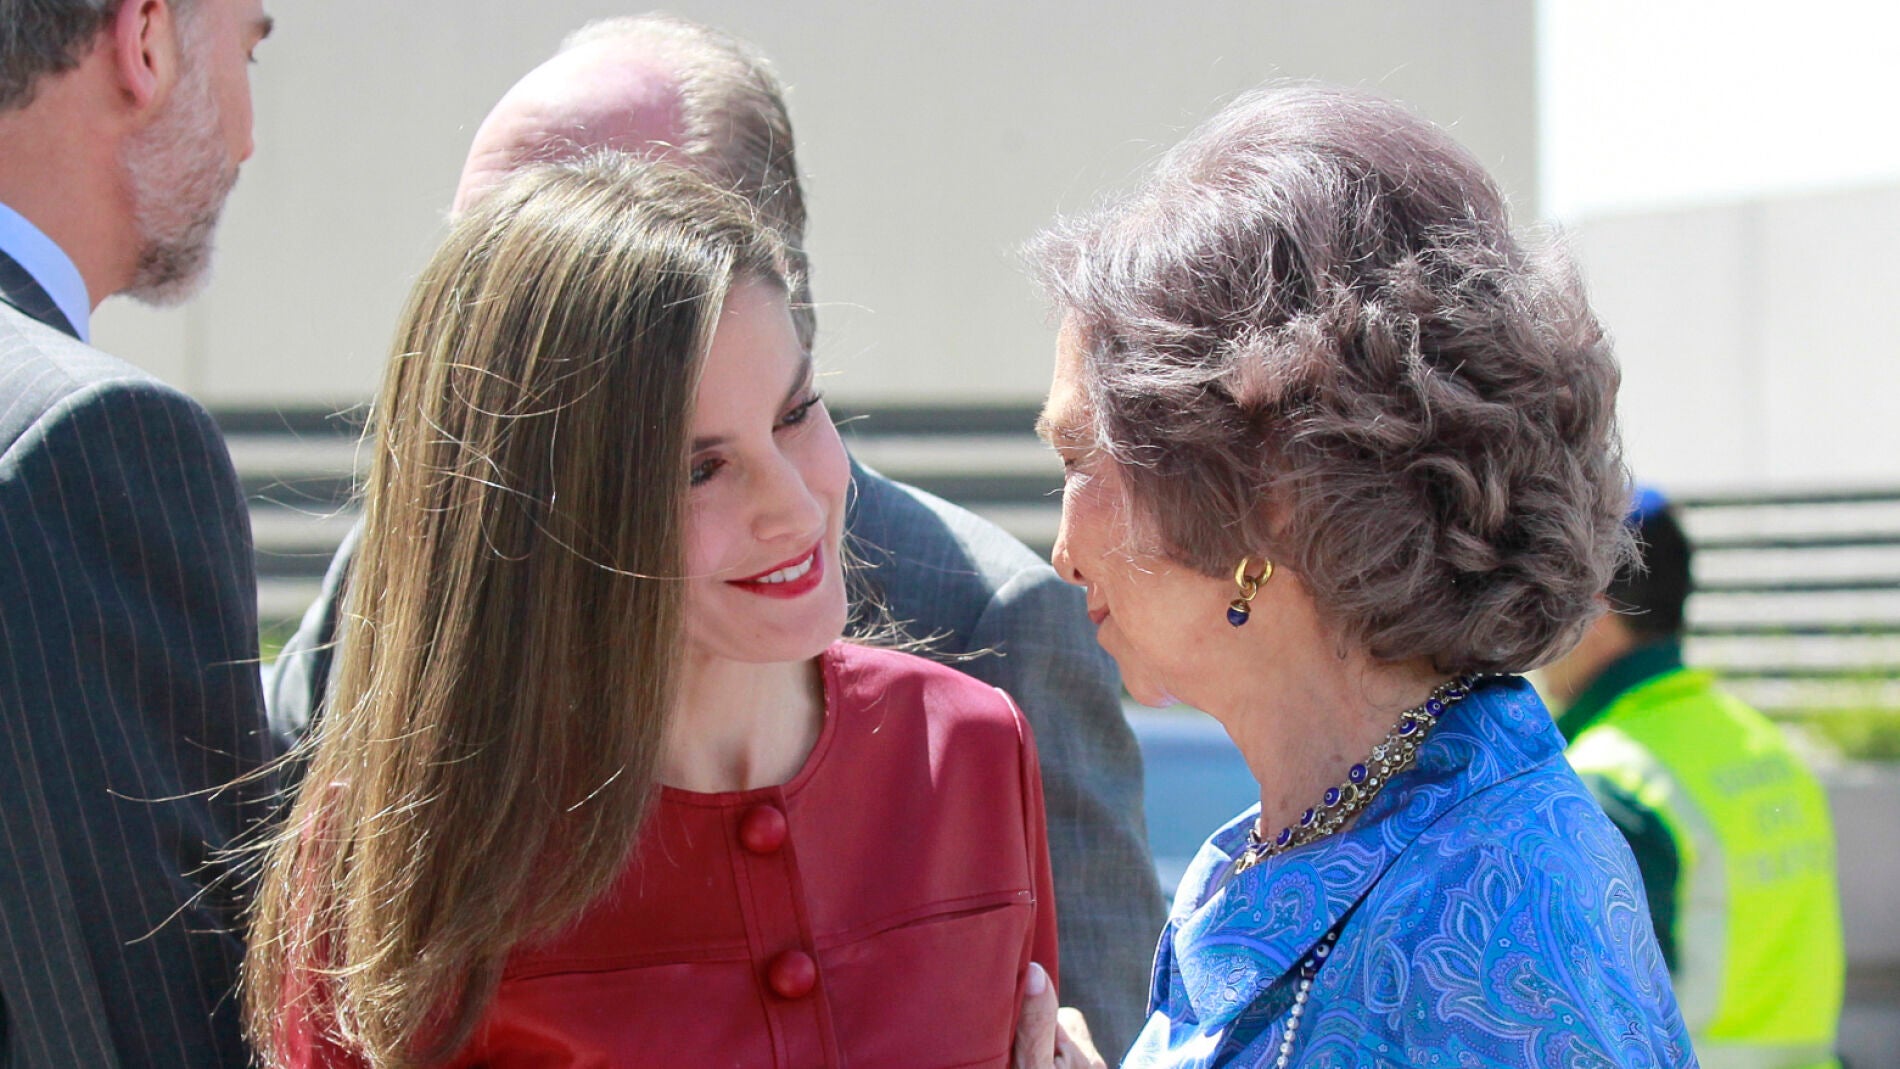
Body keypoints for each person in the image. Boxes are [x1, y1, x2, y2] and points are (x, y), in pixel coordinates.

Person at [264, 15, 1162, 1051]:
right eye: (700, 466)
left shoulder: (967, 743)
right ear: (544, 498)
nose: (793, 499)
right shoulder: (393, 840)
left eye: (795, 412)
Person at [1019, 83, 1694, 1066]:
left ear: (1268, 489)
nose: (1064, 547)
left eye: (1084, 460)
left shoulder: (1490, 927)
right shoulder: (1332, 832)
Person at [0, 0, 276, 1065]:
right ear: (146, 40)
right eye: (250, 47)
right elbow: (158, 1016)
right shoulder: (92, 441)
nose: (251, 133)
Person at [1544, 489, 1845, 1069]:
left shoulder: (1605, 785)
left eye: (1547, 600)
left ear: (1598, 609)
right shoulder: (1764, 745)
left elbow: (1593, 1028)